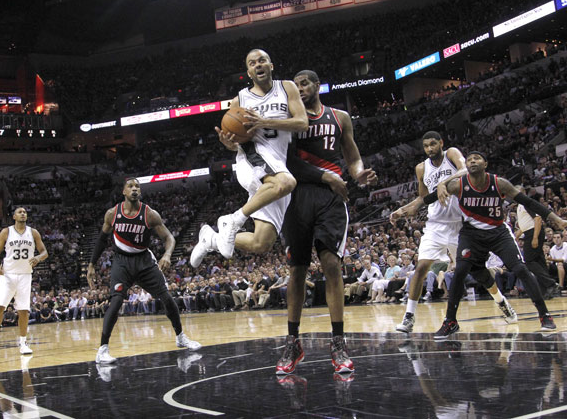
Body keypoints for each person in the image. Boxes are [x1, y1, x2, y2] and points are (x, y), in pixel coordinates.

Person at [398, 151, 565, 338]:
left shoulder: (499, 183)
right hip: (472, 234)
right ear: (466, 167)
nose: (472, 161)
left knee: (520, 269)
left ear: (485, 164)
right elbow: (428, 199)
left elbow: (528, 202)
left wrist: (555, 219)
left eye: (477, 159)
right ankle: (450, 322)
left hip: (498, 231)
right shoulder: (458, 185)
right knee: (460, 271)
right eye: (469, 160)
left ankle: (545, 315)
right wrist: (411, 207)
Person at [276, 70, 377, 375]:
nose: (301, 89)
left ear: (317, 85)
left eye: (305, 83)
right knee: (297, 271)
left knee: (331, 264)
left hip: (331, 198)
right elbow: (289, 161)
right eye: (296, 86)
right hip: (297, 195)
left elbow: (352, 156)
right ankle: (293, 341)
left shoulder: (340, 117)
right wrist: (326, 176)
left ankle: (338, 341)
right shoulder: (290, 120)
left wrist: (358, 172)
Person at [190, 49, 308, 267]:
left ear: (271, 65)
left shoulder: (287, 87)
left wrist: (265, 122)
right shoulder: (240, 100)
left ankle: (212, 240)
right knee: (287, 182)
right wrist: (230, 145)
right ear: (249, 73)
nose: (258, 65)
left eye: (262, 60)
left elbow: (302, 122)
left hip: (277, 164)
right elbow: (237, 143)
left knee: (261, 242)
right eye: (252, 63)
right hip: (252, 159)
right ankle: (233, 220)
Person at [392, 132, 516, 333]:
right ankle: (409, 317)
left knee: (479, 271)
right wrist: (402, 210)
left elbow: (465, 170)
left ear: (441, 143)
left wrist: (443, 182)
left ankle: (501, 301)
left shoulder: (451, 153)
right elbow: (423, 198)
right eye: (426, 146)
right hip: (435, 224)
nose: (430, 149)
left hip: (461, 223)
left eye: (433, 144)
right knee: (421, 266)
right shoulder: (421, 168)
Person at [87, 178, 200, 364]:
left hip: (144, 261)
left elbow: (169, 238)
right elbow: (101, 240)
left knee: (167, 298)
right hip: (122, 261)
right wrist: (91, 265)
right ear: (123, 191)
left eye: (137, 186)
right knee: (115, 301)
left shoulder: (149, 214)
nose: (134, 189)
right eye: (130, 186)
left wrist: (167, 255)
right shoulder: (112, 213)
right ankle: (103, 350)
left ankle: (180, 337)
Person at [0, 207, 48, 358]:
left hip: (25, 275)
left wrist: (38, 257)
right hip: (8, 274)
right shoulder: (6, 232)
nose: (23, 213)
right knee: (0, 307)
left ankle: (23, 343)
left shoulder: (33, 232)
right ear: (14, 216)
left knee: (23, 310)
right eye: (20, 212)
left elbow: (44, 252)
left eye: (25, 212)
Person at [513, 186, 559, 298]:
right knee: (540, 261)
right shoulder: (520, 206)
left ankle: (551, 283)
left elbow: (537, 219)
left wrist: (534, 237)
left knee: (529, 261)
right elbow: (526, 224)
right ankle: (546, 291)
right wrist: (517, 235)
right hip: (530, 232)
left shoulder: (526, 203)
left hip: (534, 233)